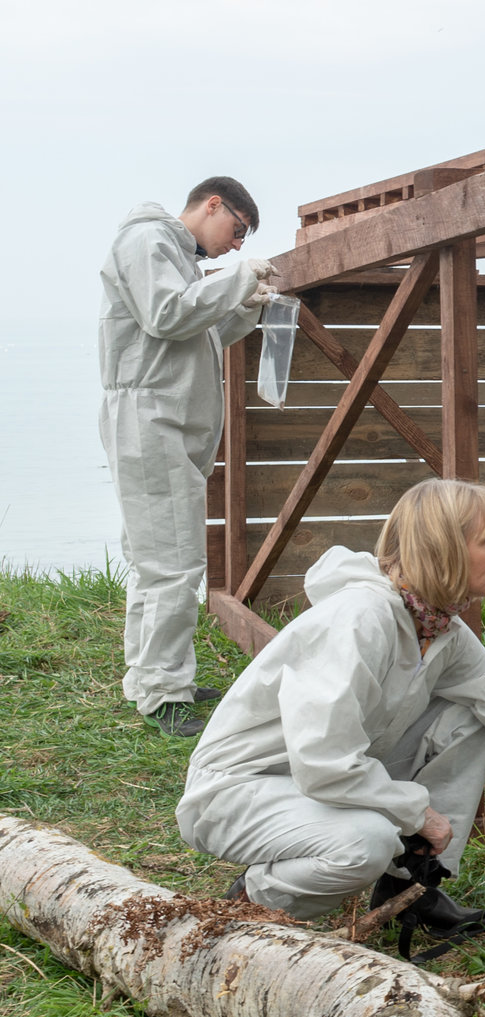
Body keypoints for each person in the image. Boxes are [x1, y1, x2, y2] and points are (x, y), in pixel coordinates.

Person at [176, 479, 485, 934]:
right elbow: (323, 761)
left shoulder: (438, 627)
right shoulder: (358, 619)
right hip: (240, 789)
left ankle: (410, 886)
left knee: (471, 715)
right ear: (443, 548)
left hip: (319, 779)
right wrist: (418, 814)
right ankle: (248, 907)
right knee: (366, 844)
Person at [99, 177, 276, 736]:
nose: (237, 244)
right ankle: (164, 694)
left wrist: (243, 307)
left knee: (156, 560)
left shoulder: (175, 254)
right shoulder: (148, 240)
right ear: (212, 204)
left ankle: (149, 679)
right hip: (151, 422)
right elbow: (167, 316)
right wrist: (239, 278)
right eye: (238, 230)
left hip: (165, 421)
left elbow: (195, 333)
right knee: (174, 562)